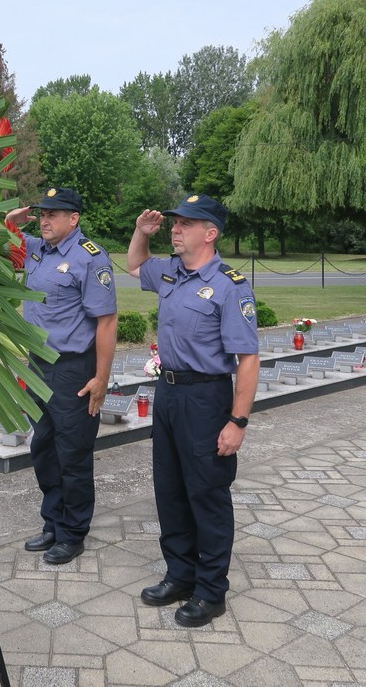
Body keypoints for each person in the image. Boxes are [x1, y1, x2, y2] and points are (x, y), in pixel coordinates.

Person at [126, 194, 260, 628]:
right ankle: (180, 575)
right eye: (174, 222)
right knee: (170, 490)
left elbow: (248, 359)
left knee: (207, 494)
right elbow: (133, 266)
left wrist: (237, 421)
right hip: (168, 395)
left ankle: (210, 591)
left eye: (185, 223)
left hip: (206, 400)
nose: (175, 229)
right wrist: (140, 234)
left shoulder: (229, 284)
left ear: (210, 232)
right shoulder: (169, 271)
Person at [5, 187, 117, 566]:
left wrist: (101, 377)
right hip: (39, 364)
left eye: (54, 214)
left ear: (74, 219)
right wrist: (11, 221)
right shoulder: (36, 248)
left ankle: (73, 532)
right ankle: (53, 521)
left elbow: (107, 321)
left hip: (73, 368)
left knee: (73, 452)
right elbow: (3, 241)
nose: (45, 220)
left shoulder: (91, 259)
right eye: (42, 214)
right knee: (43, 448)